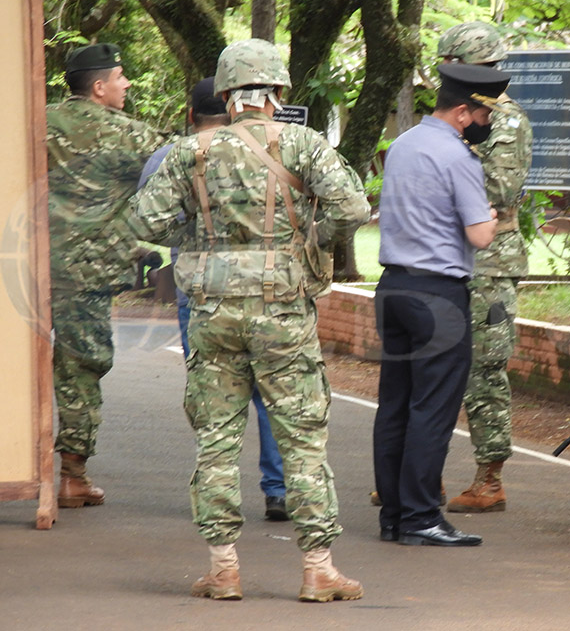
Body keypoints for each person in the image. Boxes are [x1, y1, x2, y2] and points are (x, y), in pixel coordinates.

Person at [129, 38, 370, 602]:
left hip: (211, 312)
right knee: (302, 436)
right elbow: (353, 209)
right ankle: (317, 568)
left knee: (216, 437)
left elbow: (145, 220)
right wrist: (309, 236)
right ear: (278, 92)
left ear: (226, 94)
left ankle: (223, 568)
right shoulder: (304, 145)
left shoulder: (191, 151)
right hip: (282, 310)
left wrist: (197, 240)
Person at [138, 77, 290, 522]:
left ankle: (216, 491)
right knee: (271, 393)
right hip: (267, 289)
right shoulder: (279, 148)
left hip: (199, 290)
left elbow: (147, 222)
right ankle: (278, 489)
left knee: (212, 393)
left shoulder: (171, 157)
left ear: (190, 116)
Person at [373, 62, 507, 547]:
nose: (488, 124)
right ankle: (421, 518)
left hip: (393, 287)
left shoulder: (403, 145)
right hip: (438, 295)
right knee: (432, 409)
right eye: (486, 114)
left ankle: (394, 516)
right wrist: (491, 220)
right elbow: (478, 235)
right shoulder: (459, 158)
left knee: (395, 406)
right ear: (466, 113)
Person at [46, 42, 170, 508]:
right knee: (80, 368)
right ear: (99, 88)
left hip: (23, 265)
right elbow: (176, 173)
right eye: (121, 76)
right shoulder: (133, 137)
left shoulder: (34, 122)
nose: (127, 83)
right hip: (85, 275)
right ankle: (72, 476)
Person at [436, 22, 533, 514]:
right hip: (452, 255)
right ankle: (423, 473)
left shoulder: (506, 120)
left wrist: (447, 161)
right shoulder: (458, 117)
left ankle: (489, 478)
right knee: (437, 363)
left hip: (491, 262)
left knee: (485, 369)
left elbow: (499, 187)